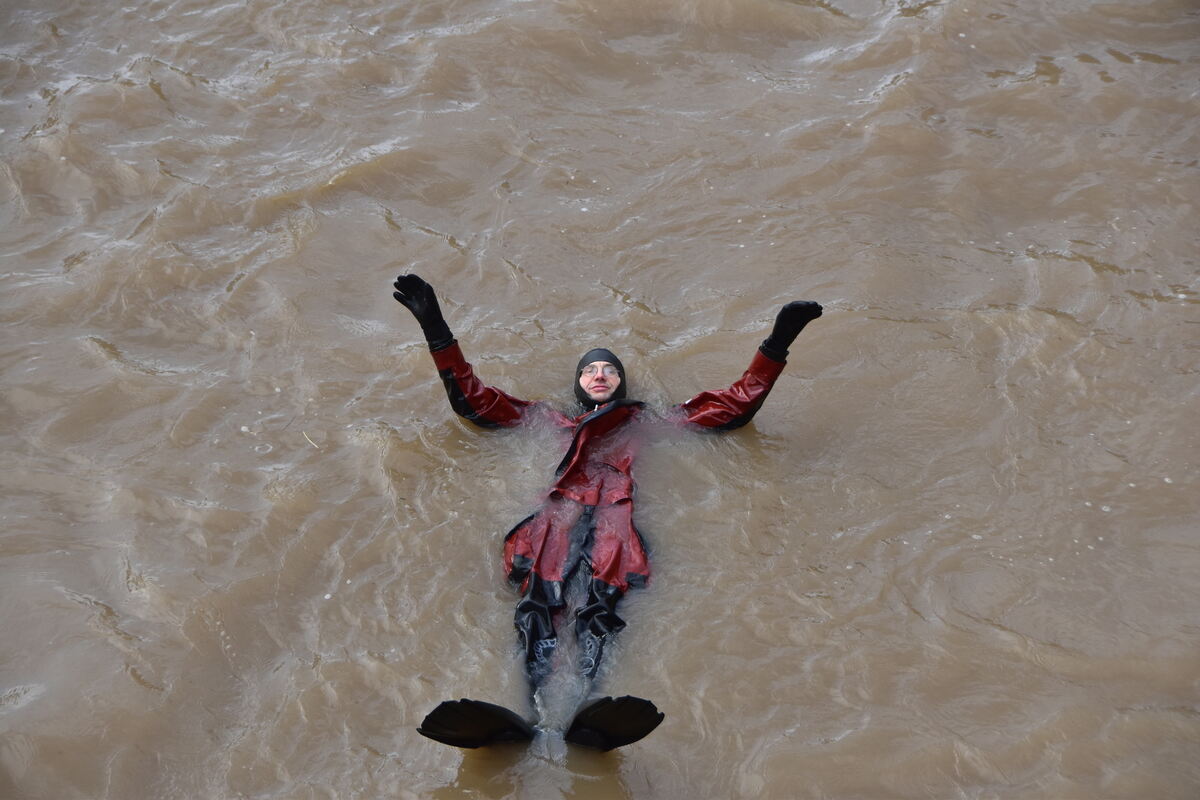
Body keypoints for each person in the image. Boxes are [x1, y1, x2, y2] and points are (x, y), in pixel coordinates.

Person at [394, 274, 822, 749]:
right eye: (590, 370)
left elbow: (732, 408)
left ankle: (587, 708)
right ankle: (527, 712)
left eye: (609, 370)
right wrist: (437, 331)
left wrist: (777, 343)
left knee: (599, 610)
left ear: (621, 382)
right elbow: (474, 402)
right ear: (577, 384)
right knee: (537, 607)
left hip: (615, 531)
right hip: (552, 528)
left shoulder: (648, 421)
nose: (600, 375)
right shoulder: (546, 419)